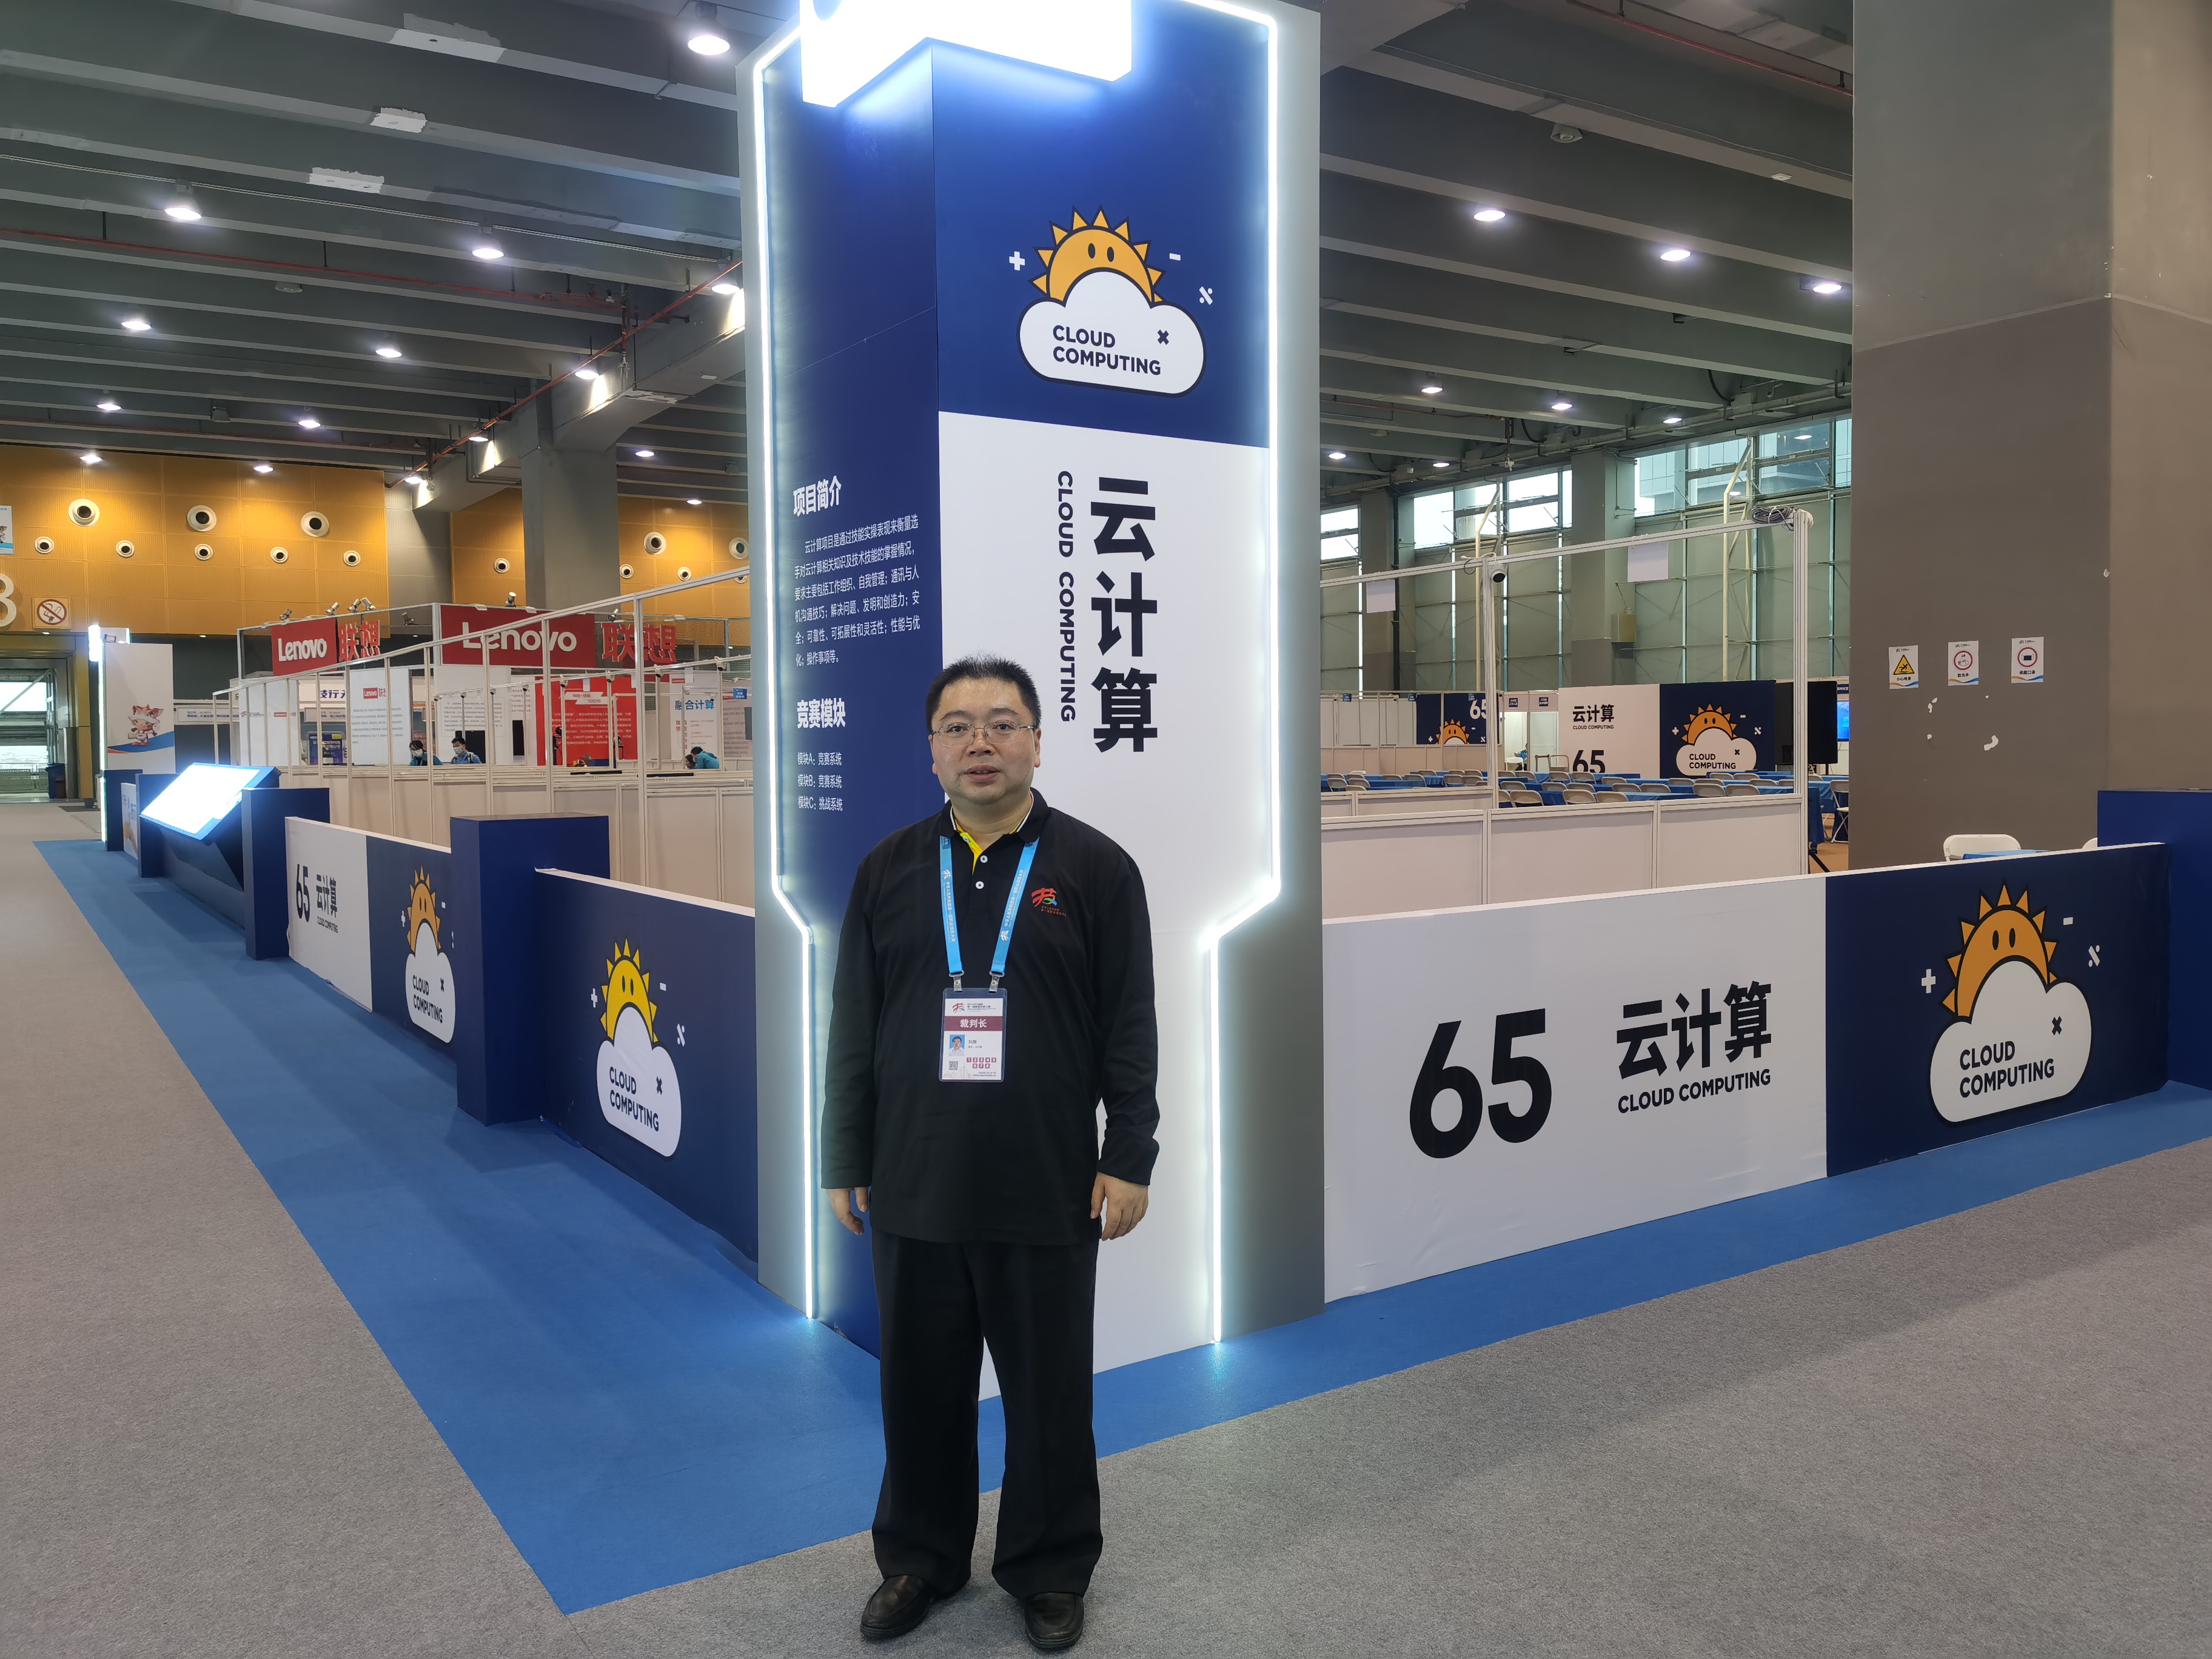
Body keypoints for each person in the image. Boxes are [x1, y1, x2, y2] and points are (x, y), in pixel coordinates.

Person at [823, 654, 1157, 1652]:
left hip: (1046, 1181)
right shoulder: (887, 868)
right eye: (958, 726)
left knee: (1049, 1394)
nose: (981, 743)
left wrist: (1129, 1153)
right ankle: (919, 1559)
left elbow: (1129, 1026)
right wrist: (844, 1152)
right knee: (919, 1389)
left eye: (1003, 723)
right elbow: (853, 1026)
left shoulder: (1096, 868)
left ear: (1037, 743)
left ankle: (1049, 1567)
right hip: (914, 1176)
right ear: (931, 749)